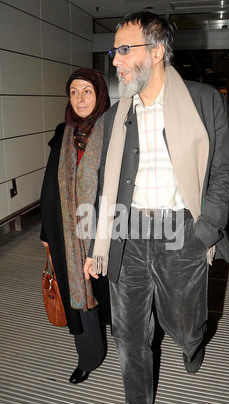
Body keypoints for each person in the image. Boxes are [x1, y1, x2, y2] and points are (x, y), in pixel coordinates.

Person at [85, 12, 229, 404]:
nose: (115, 60)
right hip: (128, 234)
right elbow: (103, 187)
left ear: (157, 51)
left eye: (123, 50)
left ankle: (193, 340)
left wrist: (205, 231)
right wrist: (99, 245)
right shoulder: (116, 116)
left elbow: (224, 173)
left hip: (182, 232)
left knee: (182, 320)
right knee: (130, 333)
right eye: (114, 51)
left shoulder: (206, 101)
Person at [40, 68, 110, 385]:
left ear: (100, 95)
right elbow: (48, 188)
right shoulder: (62, 133)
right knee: (79, 294)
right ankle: (89, 356)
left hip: (109, 229)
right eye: (74, 92)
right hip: (69, 232)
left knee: (116, 293)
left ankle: (133, 346)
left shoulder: (115, 134)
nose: (80, 99)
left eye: (87, 91)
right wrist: (46, 235)